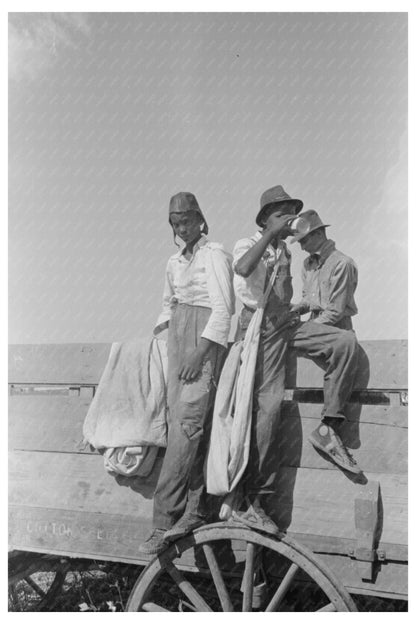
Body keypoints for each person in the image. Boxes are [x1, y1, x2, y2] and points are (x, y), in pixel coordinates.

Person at [231, 185, 361, 534]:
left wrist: (293, 312)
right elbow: (243, 269)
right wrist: (271, 236)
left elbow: (287, 300)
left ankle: (328, 426)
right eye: (281, 213)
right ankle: (251, 502)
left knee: (346, 343)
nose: (289, 219)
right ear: (264, 220)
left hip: (285, 328)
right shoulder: (248, 244)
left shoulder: (289, 254)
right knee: (267, 414)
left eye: (291, 212)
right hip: (259, 333)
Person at [139, 192, 235, 555]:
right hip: (179, 340)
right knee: (182, 424)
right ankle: (194, 510)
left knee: (188, 428)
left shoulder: (215, 255)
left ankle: (164, 519)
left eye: (186, 221)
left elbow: (224, 310)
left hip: (204, 342)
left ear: (200, 219)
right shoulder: (173, 262)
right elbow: (167, 305)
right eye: (175, 223)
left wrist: (199, 353)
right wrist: (162, 338)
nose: (182, 228)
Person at [290, 209, 358, 331]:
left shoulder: (342, 263)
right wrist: (294, 311)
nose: (302, 247)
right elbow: (309, 299)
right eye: (300, 243)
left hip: (338, 330)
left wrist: (306, 328)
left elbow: (335, 311)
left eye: (304, 241)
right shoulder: (307, 264)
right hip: (315, 324)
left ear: (319, 234)